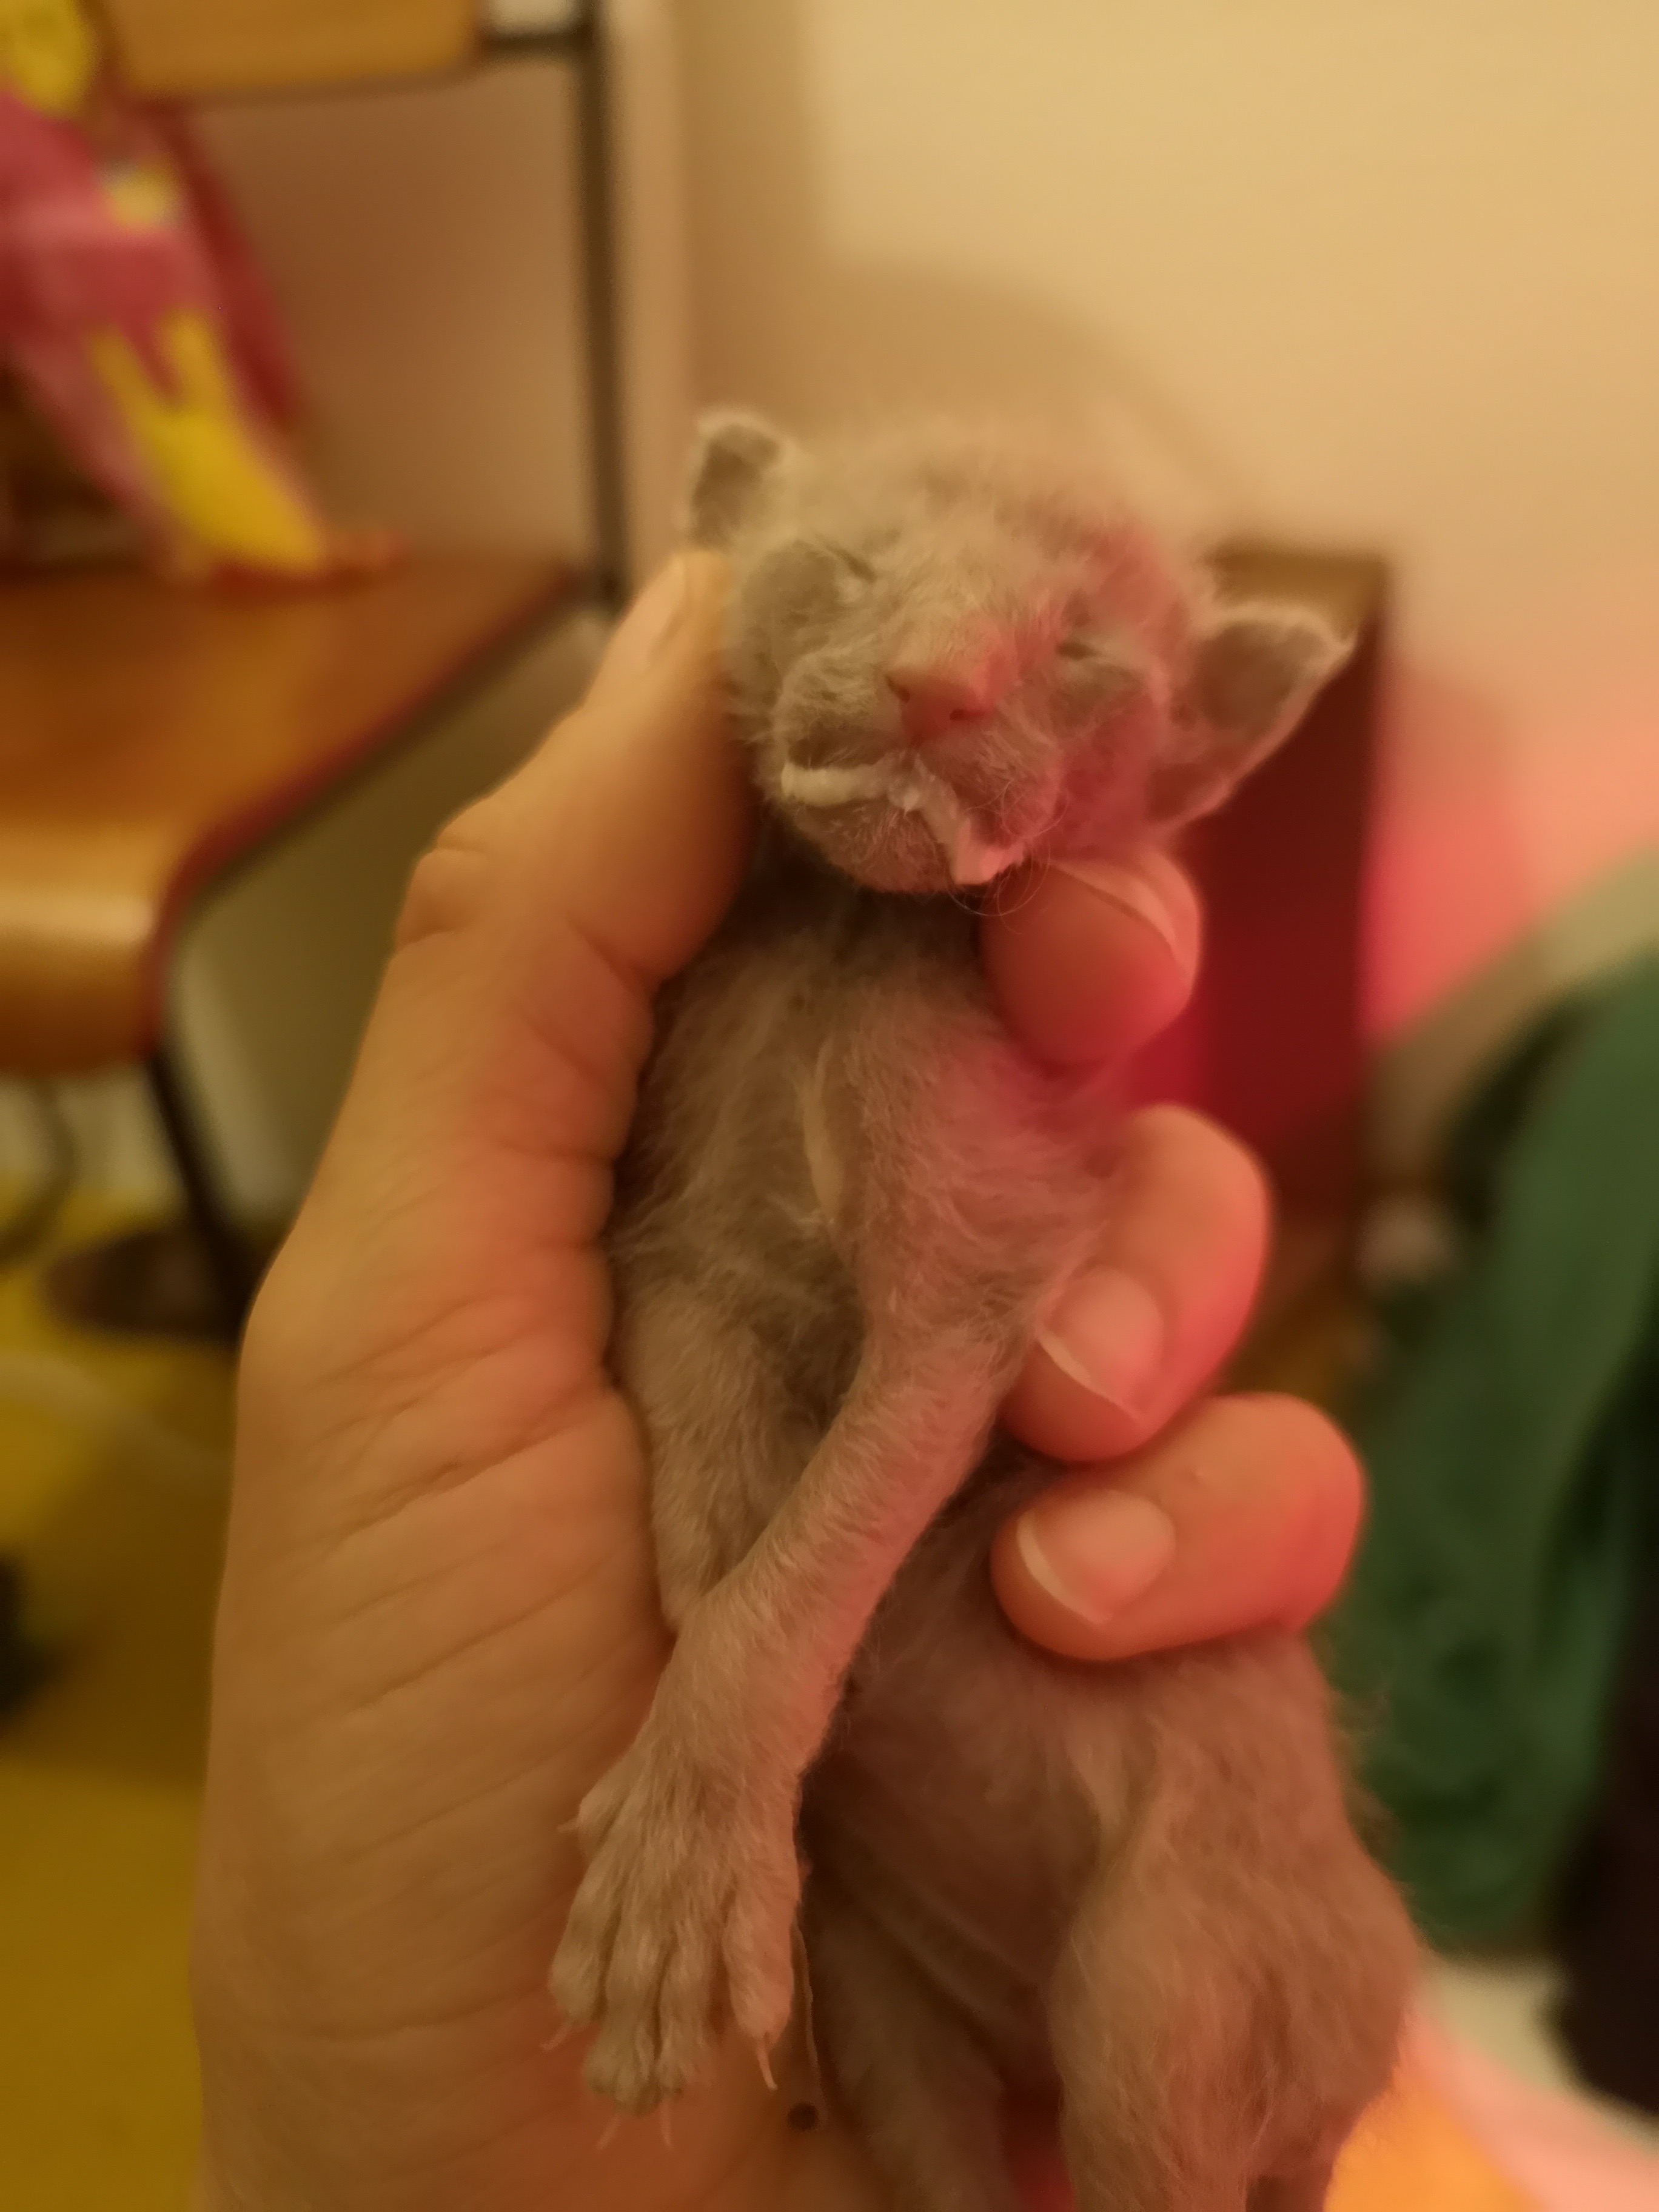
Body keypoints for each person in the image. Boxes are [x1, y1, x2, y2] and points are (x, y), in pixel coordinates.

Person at [190, 552, 1364, 2211]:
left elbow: (955, 1341)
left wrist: (726, 1733)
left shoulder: (930, 1001)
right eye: (851, 569)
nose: (944, 663)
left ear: (1201, 744)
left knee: (1148, 2030)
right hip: (871, 1922)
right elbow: (691, 1294)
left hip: (1146, 1845)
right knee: (893, 2013)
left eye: (1081, 655)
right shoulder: (683, 1011)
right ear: (726, 558)